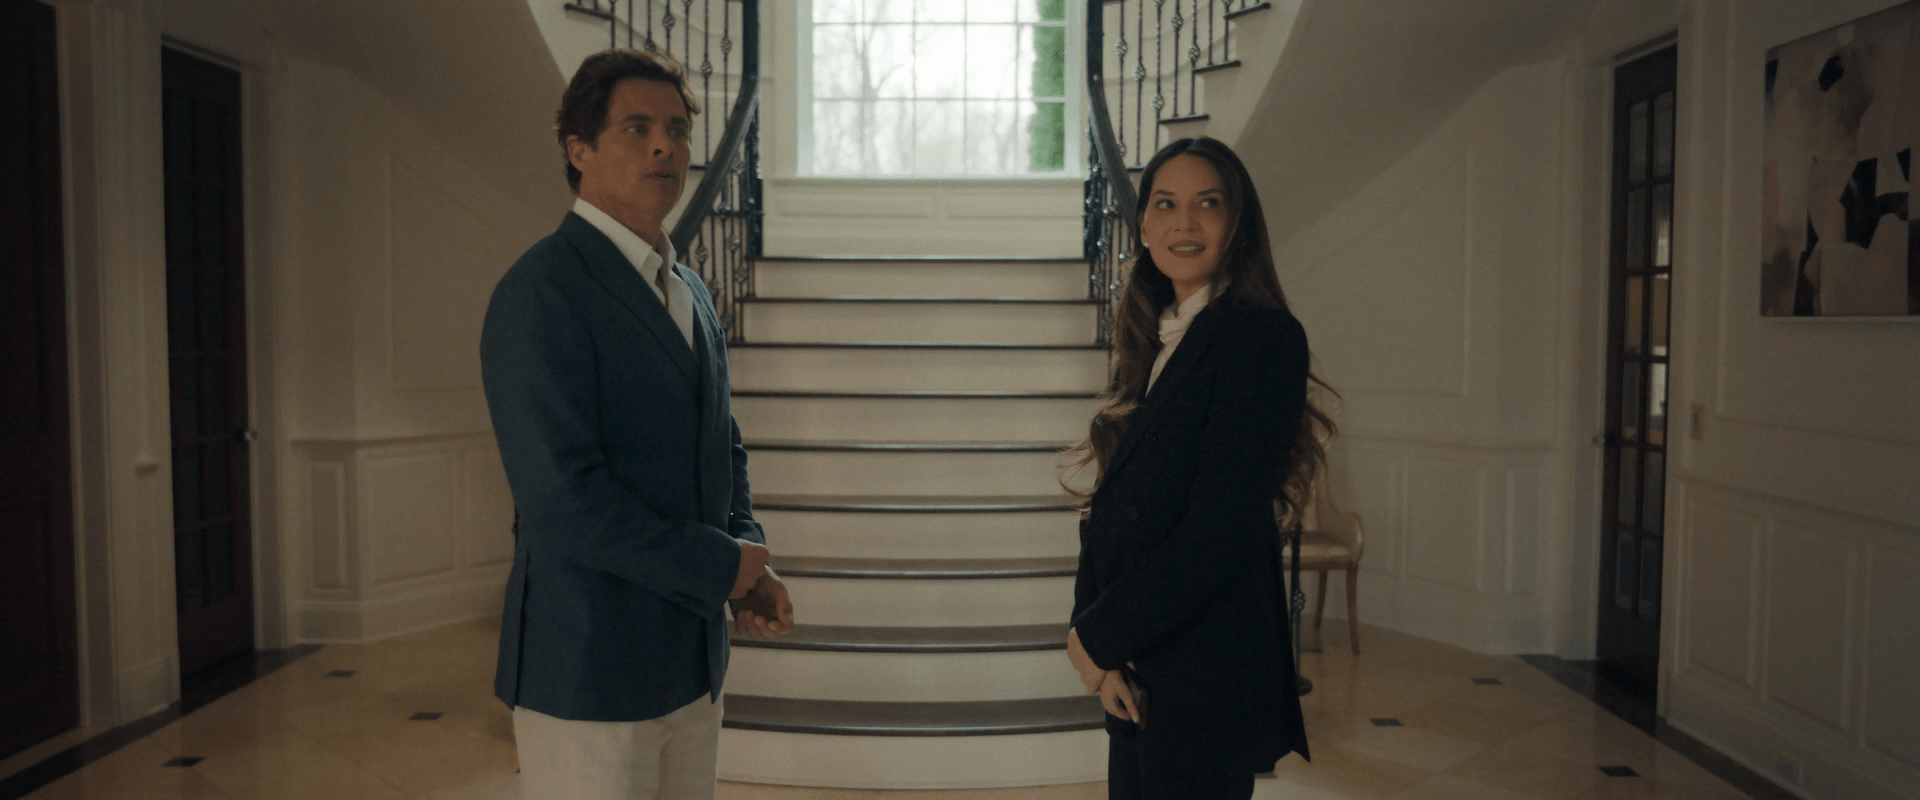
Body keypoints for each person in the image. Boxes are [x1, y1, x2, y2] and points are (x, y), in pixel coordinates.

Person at [479, 49, 794, 800]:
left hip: (691, 662)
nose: (666, 147)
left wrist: (744, 552)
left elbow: (721, 442)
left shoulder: (690, 289)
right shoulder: (540, 291)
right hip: (588, 667)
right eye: (637, 128)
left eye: (678, 130)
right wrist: (718, 567)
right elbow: (564, 499)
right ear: (578, 149)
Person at [1062, 137, 1333, 799]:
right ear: (1142, 226)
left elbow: (1220, 527)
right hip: (1138, 661)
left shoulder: (1262, 338)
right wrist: (1102, 644)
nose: (1185, 222)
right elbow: (1115, 507)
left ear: (1237, 223)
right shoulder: (1154, 334)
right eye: (1165, 203)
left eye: (1207, 203)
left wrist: (1098, 635)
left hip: (1205, 668)